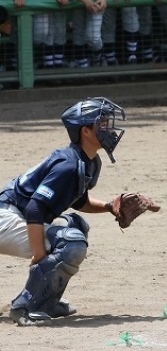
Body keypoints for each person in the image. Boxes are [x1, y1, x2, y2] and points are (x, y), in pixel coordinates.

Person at [0, 97, 127, 326]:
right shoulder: (68, 165)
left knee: (76, 226)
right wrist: (39, 253)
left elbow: (79, 201)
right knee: (70, 241)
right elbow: (35, 207)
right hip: (5, 217)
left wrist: (109, 207)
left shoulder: (89, 162)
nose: (109, 129)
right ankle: (25, 307)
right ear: (85, 131)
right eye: (102, 124)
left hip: (16, 215)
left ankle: (47, 302)